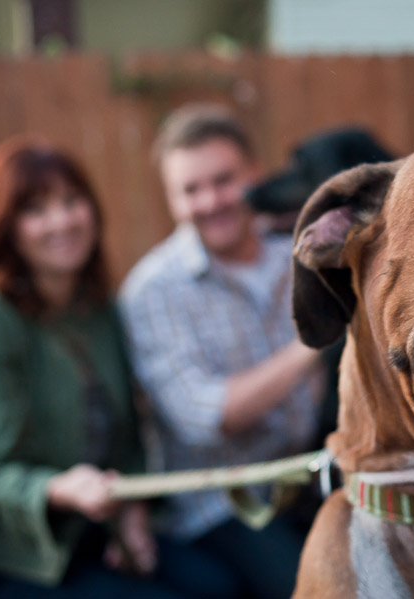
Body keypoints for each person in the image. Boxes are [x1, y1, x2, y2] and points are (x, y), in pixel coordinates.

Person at [0, 137, 184, 598]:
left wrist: (132, 516)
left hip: (92, 537)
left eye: (72, 201)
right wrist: (60, 488)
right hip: (8, 558)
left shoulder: (100, 312)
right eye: (36, 210)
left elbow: (128, 436)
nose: (62, 221)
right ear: (6, 228)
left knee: (217, 582)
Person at [119, 104, 323, 598]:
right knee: (320, 588)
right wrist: (314, 343)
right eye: (190, 189)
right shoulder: (154, 289)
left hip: (312, 472)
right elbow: (206, 416)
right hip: (222, 503)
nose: (210, 201)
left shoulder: (296, 254)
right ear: (171, 199)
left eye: (223, 180)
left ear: (254, 175)